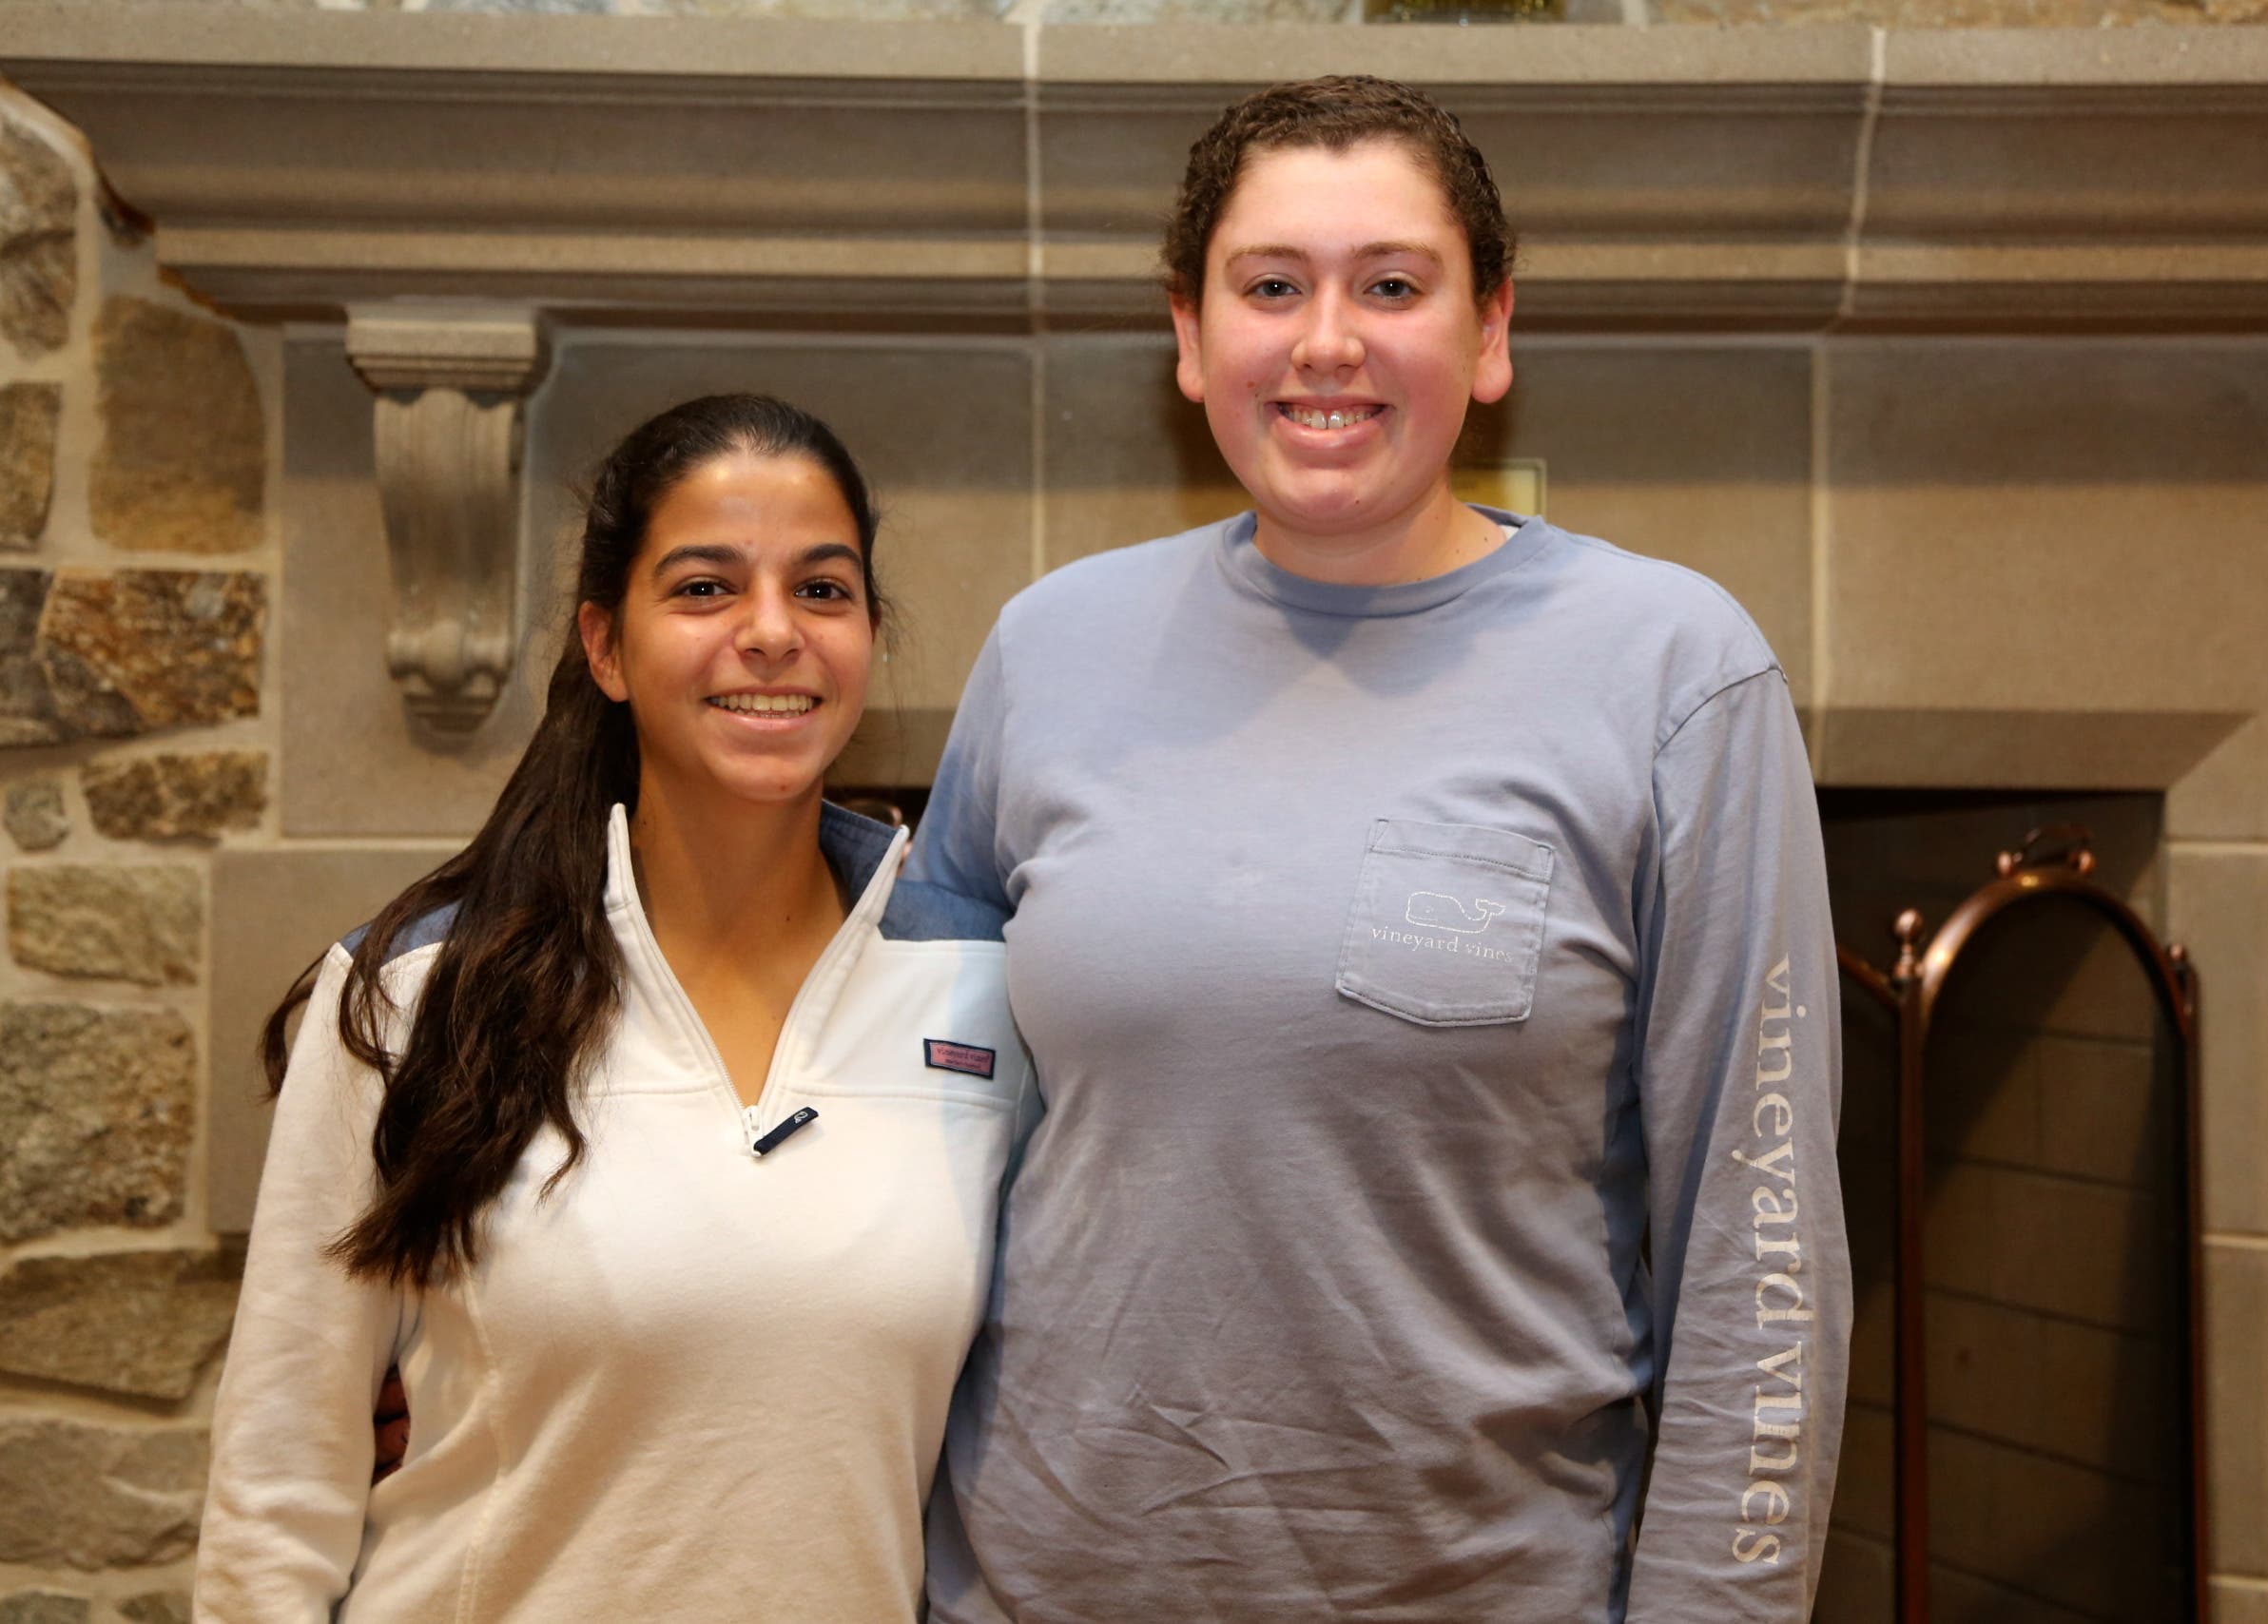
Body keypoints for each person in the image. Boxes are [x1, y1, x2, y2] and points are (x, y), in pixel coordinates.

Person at [910, 76, 1850, 1622]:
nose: (1327, 342)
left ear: (1489, 334)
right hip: (1032, 1587)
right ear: (1189, 334)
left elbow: (1760, 1259)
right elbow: (916, 1149)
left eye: (1393, 287)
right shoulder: (1046, 651)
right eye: (1270, 287)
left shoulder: (1675, 673)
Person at [194, 395, 1034, 1623]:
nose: (771, 633)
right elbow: (277, 1497)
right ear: (606, 646)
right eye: (703, 588)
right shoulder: (417, 997)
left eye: (821, 589)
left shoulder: (988, 992)